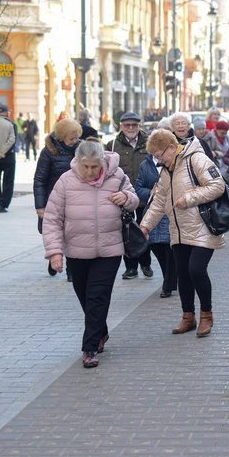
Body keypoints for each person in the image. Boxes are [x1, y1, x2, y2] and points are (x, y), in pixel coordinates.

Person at [42, 140, 139, 369]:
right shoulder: (66, 181)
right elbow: (53, 219)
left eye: (94, 167)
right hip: (77, 250)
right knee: (85, 296)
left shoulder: (117, 176)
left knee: (97, 296)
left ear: (102, 162)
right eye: (85, 166)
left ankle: (89, 348)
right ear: (78, 162)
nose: (90, 171)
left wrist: (126, 198)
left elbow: (134, 199)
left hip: (110, 248)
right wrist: (55, 252)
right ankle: (100, 331)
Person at [140, 129, 227, 338]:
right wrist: (145, 227)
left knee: (196, 270)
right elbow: (158, 201)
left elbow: (218, 185)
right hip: (178, 230)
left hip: (203, 227)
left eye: (160, 155)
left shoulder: (196, 159)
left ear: (171, 147)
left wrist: (189, 198)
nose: (158, 160)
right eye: (155, 157)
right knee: (182, 274)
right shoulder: (165, 169)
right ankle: (188, 316)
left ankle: (207, 314)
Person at [106, 111, 152, 280]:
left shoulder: (149, 143)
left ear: (139, 126)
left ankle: (145, 263)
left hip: (144, 195)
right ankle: (131, 267)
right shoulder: (112, 145)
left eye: (134, 125)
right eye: (127, 125)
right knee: (126, 232)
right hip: (122, 196)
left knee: (144, 229)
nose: (131, 128)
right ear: (121, 126)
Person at [34, 118, 82, 277]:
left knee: (73, 233)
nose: (74, 141)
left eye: (76, 138)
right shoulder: (49, 151)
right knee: (56, 231)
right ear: (61, 137)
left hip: (76, 199)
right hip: (54, 199)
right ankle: (54, 256)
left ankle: (70, 270)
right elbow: (40, 179)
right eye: (71, 139)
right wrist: (40, 206)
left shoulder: (81, 149)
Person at [134, 135, 179, 299]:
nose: (157, 156)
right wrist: (150, 193)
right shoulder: (145, 165)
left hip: (173, 210)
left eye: (159, 152)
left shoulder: (177, 162)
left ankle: (168, 283)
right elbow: (138, 188)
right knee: (157, 246)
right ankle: (170, 278)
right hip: (154, 210)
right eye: (154, 153)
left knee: (170, 247)